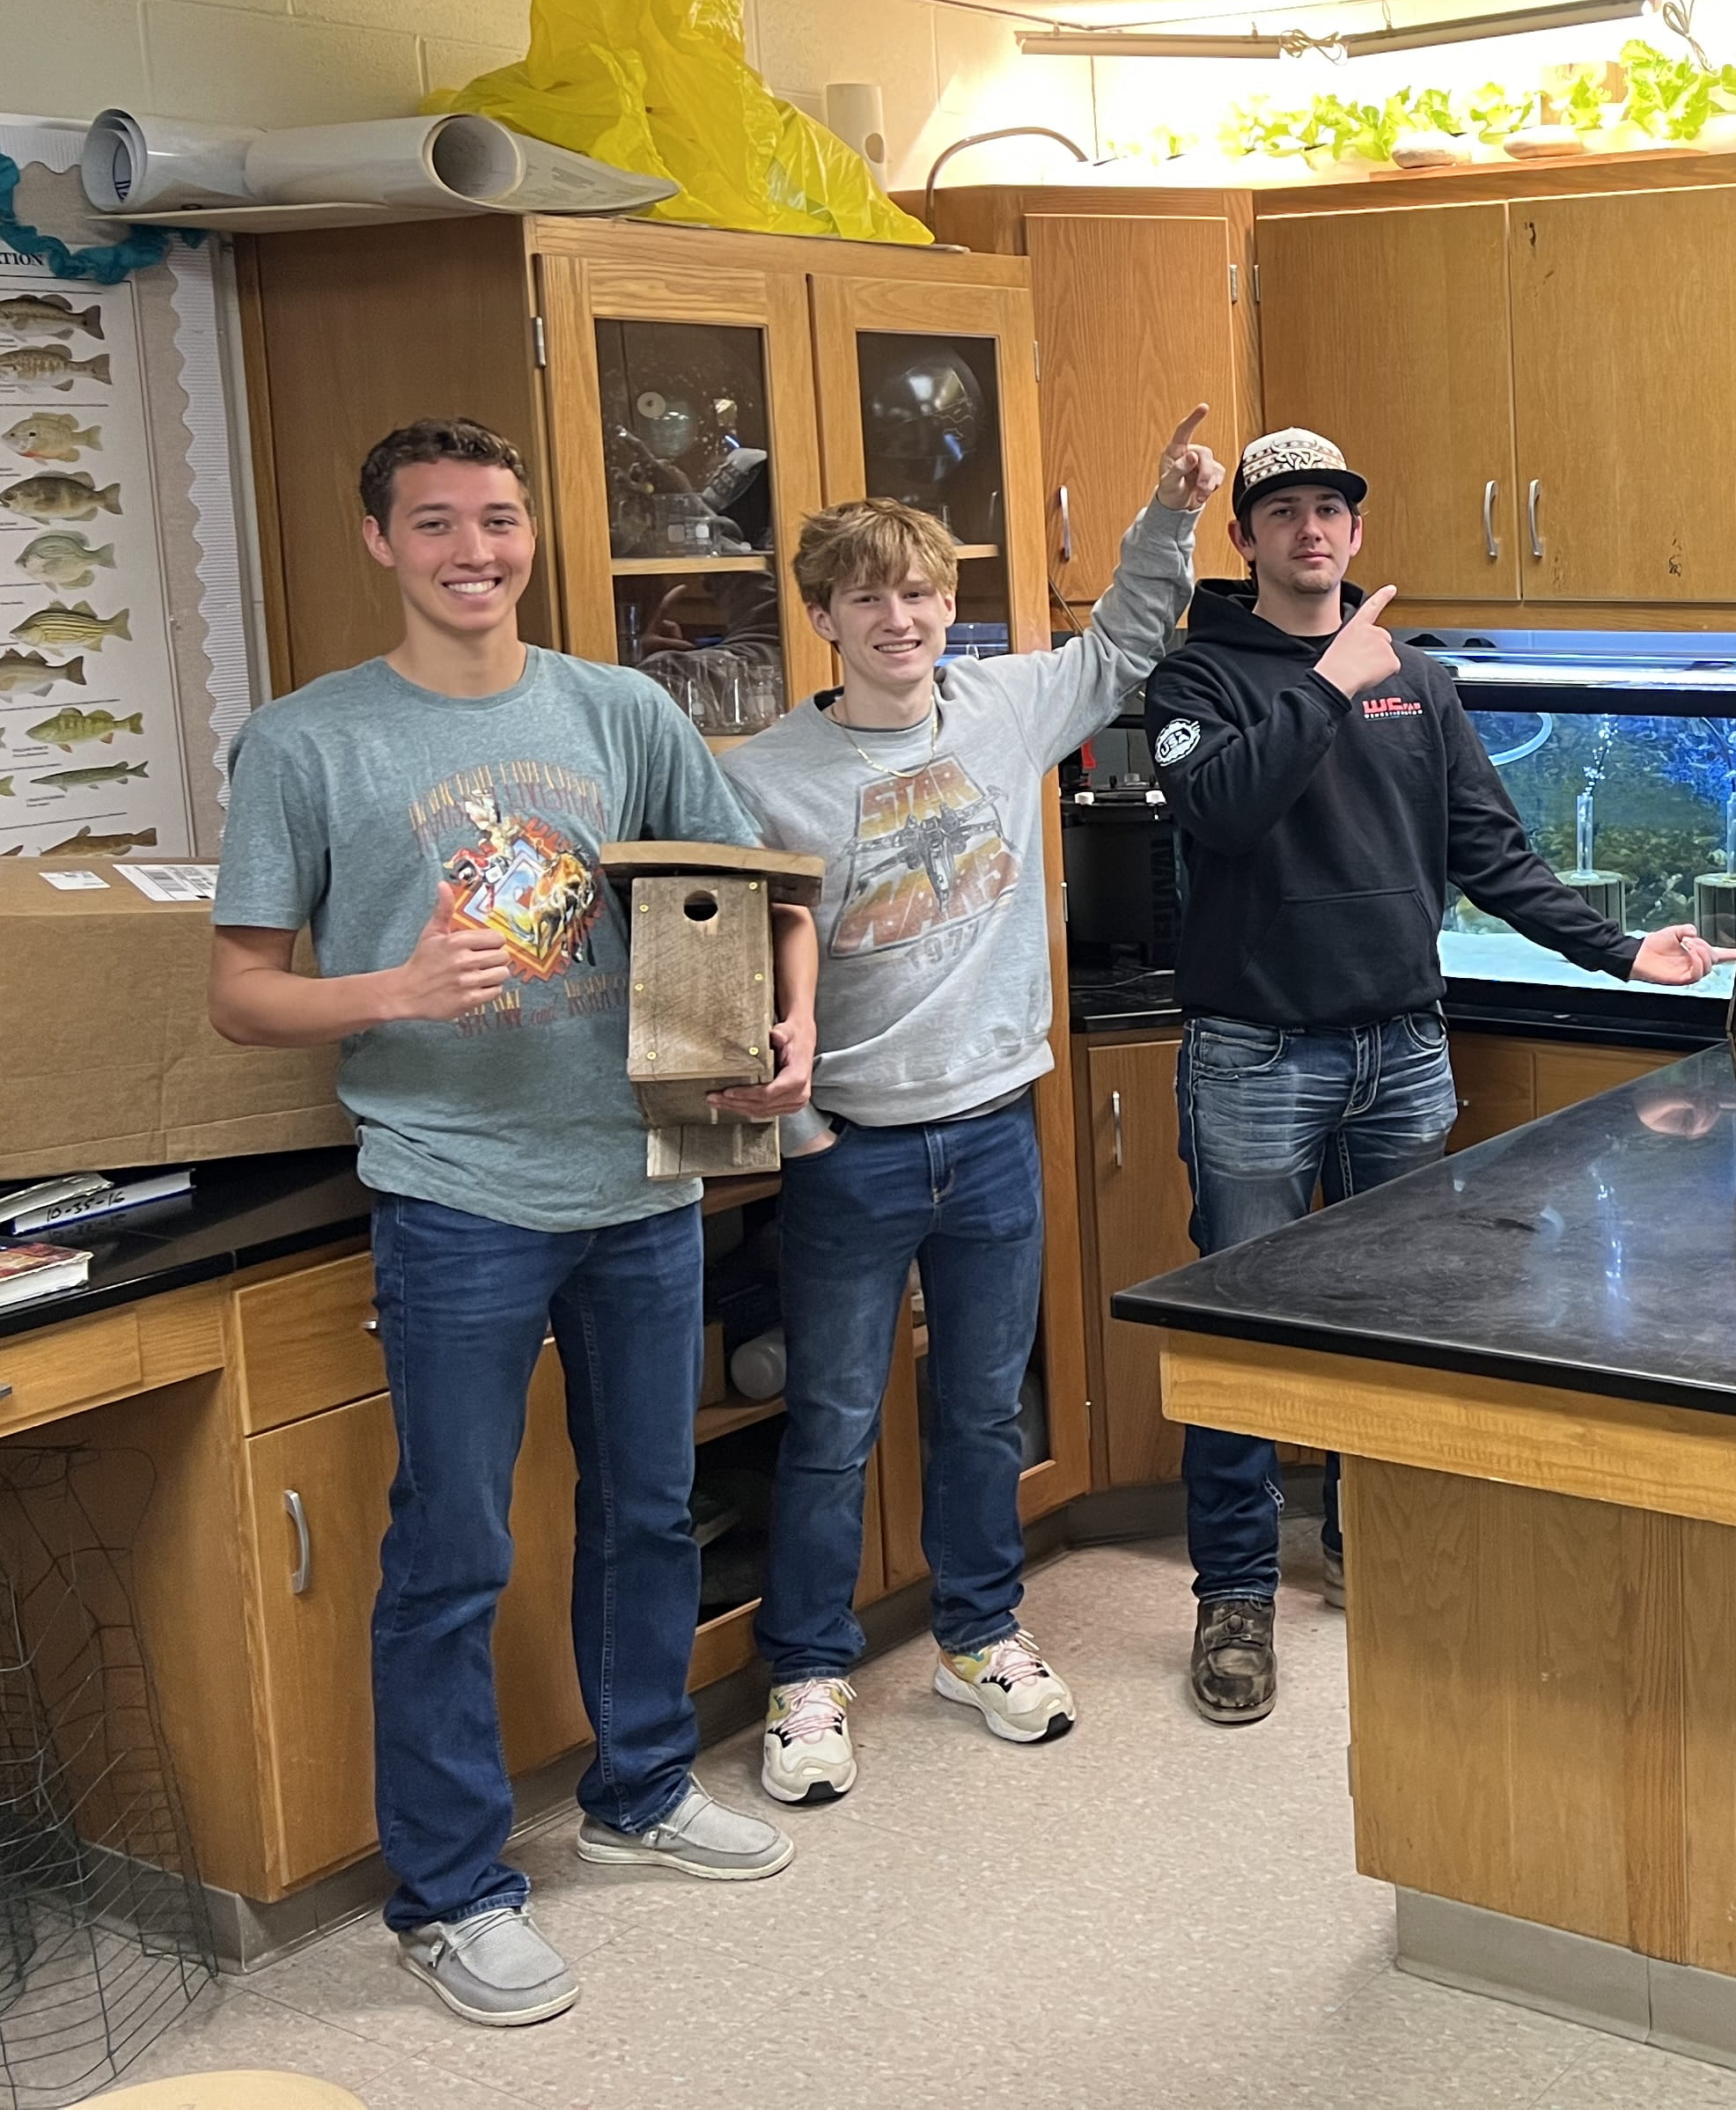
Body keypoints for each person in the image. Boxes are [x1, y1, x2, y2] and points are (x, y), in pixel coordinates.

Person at [209, 418, 813, 2030]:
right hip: (455, 1195)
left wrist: (782, 1031)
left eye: (498, 520)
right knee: (454, 1550)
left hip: (640, 1178)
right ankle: (451, 1892)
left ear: (529, 533)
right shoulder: (307, 742)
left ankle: (639, 1793)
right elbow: (241, 992)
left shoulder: (616, 708)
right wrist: (390, 989)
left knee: (644, 1507)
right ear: (379, 543)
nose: (474, 551)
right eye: (436, 525)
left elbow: (735, 886)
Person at [1142, 428, 1713, 1724]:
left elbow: (1486, 850)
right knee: (1238, 1325)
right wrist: (1331, 684)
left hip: (1403, 1049)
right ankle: (1233, 1595)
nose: (1311, 532)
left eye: (1331, 509)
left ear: (1357, 528)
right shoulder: (1196, 680)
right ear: (1244, 540)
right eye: (1281, 512)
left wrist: (1623, 949)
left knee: (1398, 1314)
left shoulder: (1423, 680)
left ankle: (1370, 1540)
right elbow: (1220, 812)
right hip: (1255, 1054)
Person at [723, 408, 1222, 1807]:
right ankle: (808, 1676)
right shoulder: (760, 779)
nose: (902, 617)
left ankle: (981, 1636)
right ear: (823, 615)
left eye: (924, 592)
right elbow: (726, 953)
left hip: (997, 1128)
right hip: (850, 1147)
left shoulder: (1004, 706)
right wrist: (796, 1118)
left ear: (951, 605)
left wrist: (1170, 513)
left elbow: (1125, 645)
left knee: (986, 1410)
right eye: (870, 596)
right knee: (829, 1422)